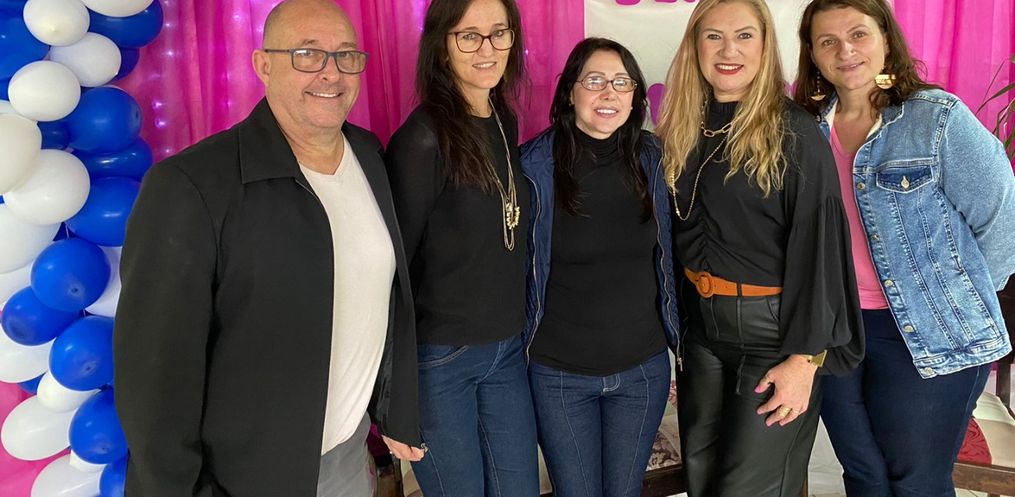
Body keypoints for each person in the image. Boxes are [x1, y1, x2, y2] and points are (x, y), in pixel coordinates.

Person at [113, 1, 423, 496]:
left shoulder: (369, 155)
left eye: (346, 55)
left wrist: (393, 407)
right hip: (244, 479)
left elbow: (382, 301)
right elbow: (155, 381)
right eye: (307, 54)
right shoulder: (191, 186)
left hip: (347, 459)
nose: (331, 72)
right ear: (263, 65)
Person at [792, 1, 1015, 495]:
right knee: (863, 475)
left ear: (886, 39)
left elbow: (1002, 218)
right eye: (828, 41)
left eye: (858, 34)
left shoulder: (936, 119)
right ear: (813, 54)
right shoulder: (805, 129)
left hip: (929, 331)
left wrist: (957, 298)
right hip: (835, 329)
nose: (845, 51)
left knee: (915, 481)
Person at [654, 0, 865, 495]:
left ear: (766, 46)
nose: (728, 50)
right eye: (714, 36)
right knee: (703, 479)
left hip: (773, 338)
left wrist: (805, 359)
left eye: (745, 36)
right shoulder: (682, 125)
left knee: (749, 489)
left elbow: (821, 250)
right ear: (694, 45)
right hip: (701, 333)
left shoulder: (794, 131)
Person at [384, 0, 538, 495]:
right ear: (442, 44)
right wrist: (392, 400)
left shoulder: (503, 118)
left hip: (506, 350)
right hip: (440, 361)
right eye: (469, 36)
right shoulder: (421, 140)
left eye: (499, 32)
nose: (487, 48)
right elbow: (391, 275)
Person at [520, 37, 679, 497]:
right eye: (594, 81)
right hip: (559, 376)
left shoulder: (655, 159)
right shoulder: (532, 167)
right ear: (570, 91)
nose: (609, 93)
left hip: (642, 372)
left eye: (622, 82)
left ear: (634, 96)